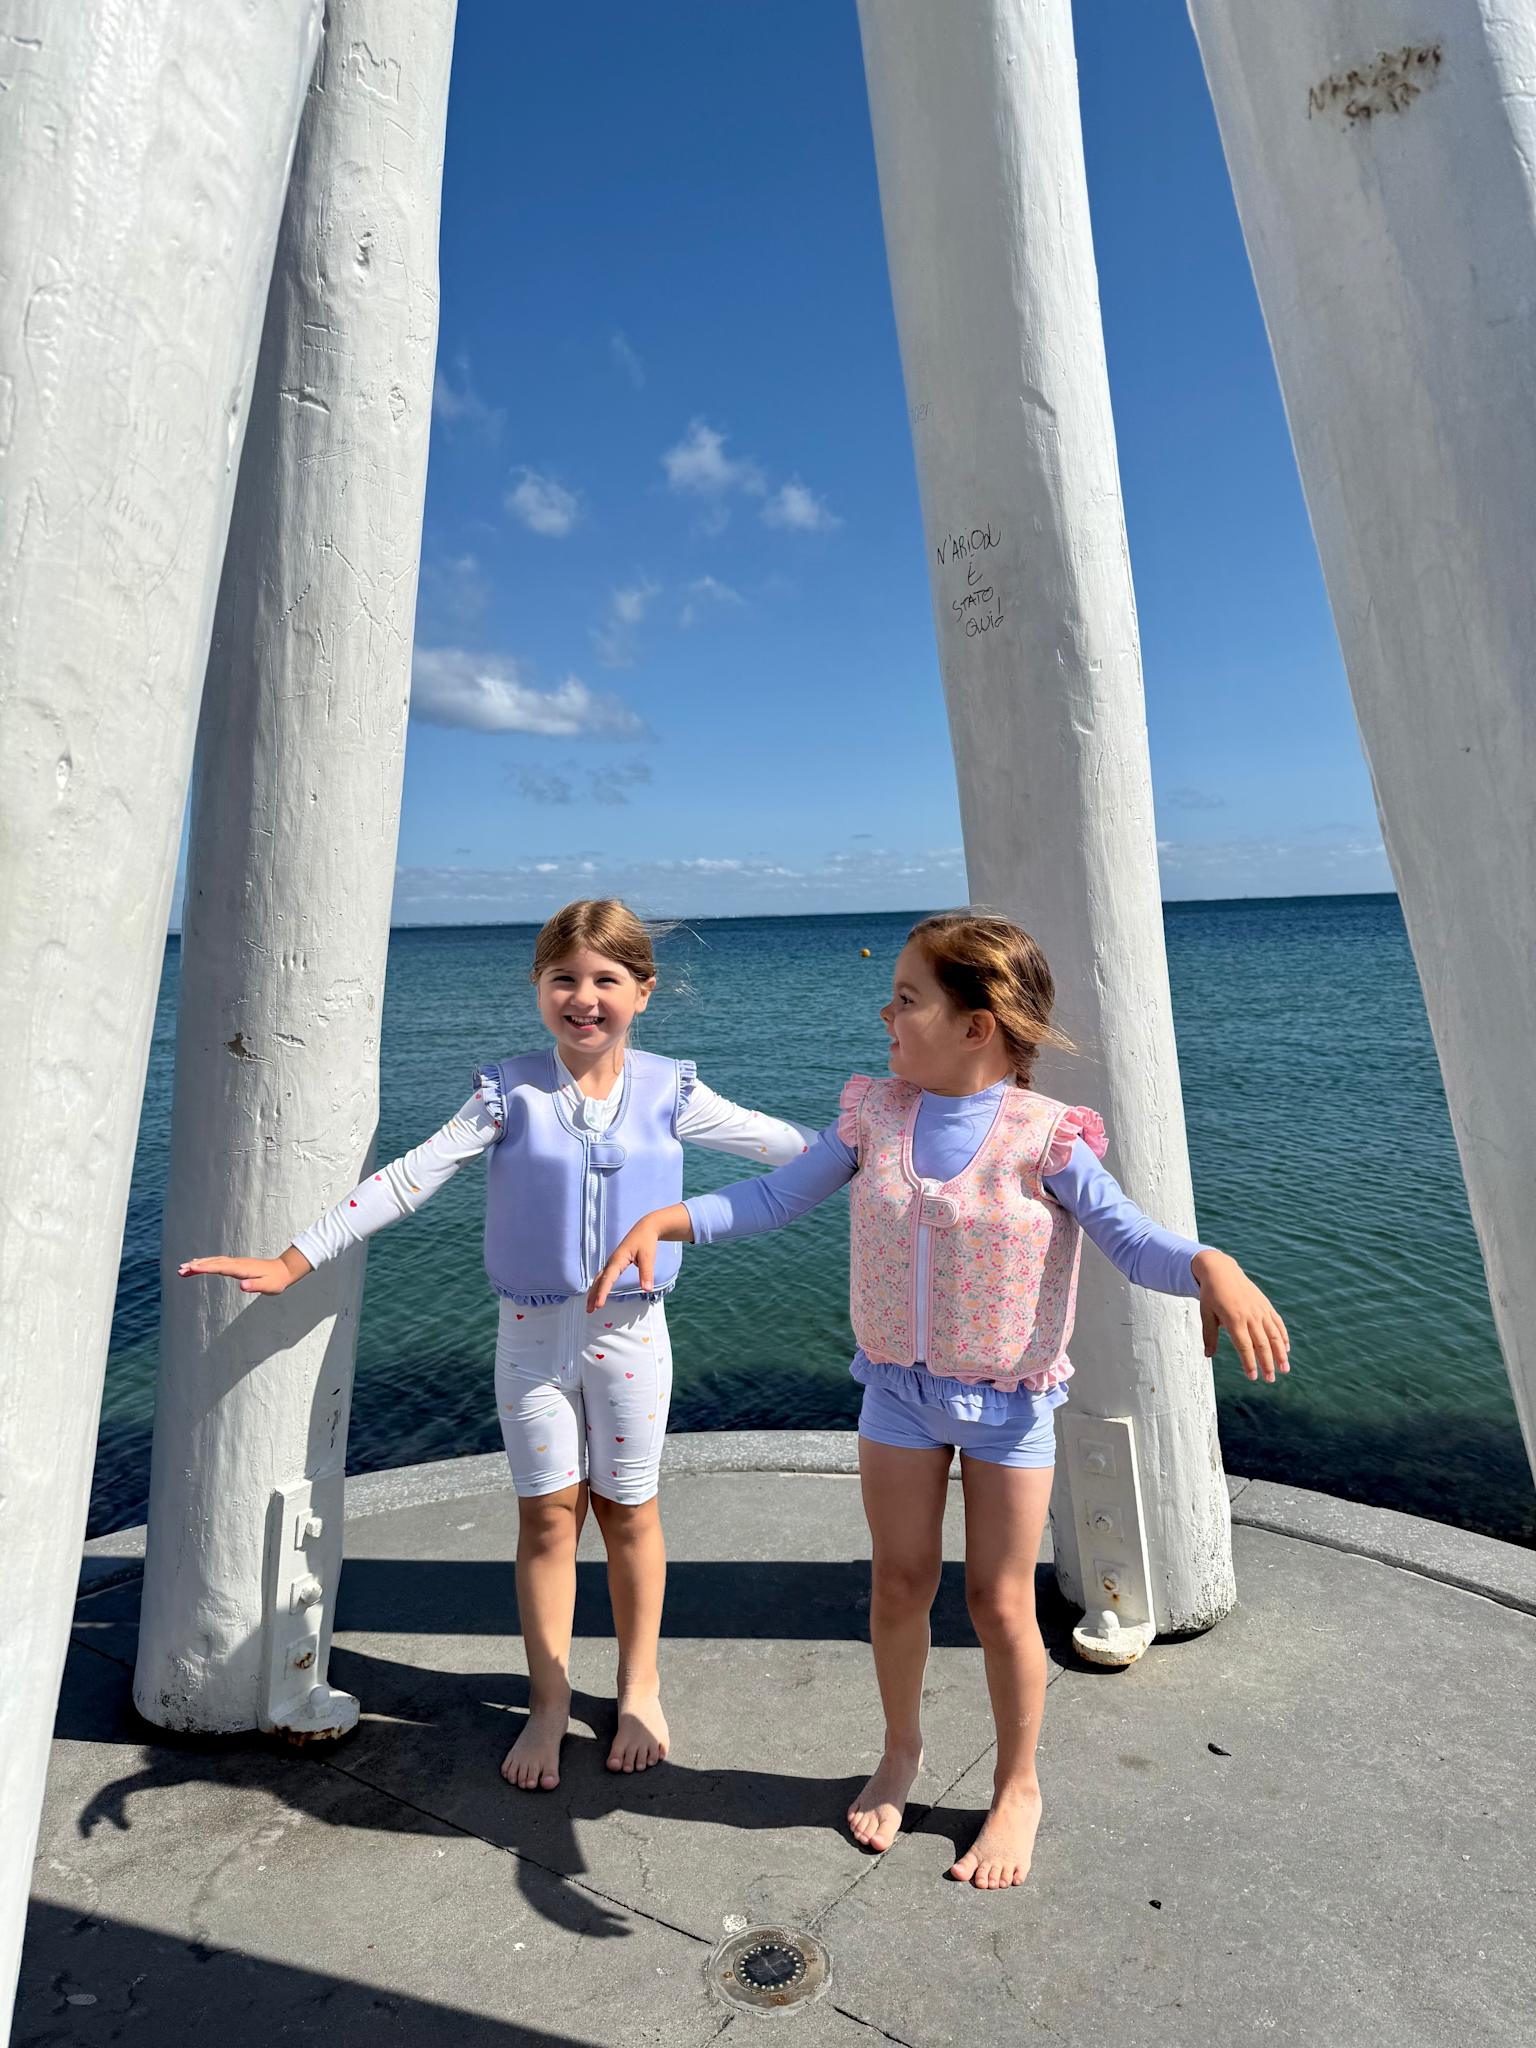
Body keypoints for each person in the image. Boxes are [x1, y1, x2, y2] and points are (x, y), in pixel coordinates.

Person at [587, 910, 1287, 1888]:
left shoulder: (1046, 1137)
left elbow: (1131, 1239)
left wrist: (1212, 1264)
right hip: (897, 1395)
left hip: (1009, 1404)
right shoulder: (875, 1115)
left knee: (999, 1602)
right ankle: (901, 1748)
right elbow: (775, 1196)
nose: (886, 1013)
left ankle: (1016, 1785)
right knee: (900, 1582)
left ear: (976, 1025)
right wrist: (673, 1218)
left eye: (907, 998)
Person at [180, 897, 809, 1792]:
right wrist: (295, 1258)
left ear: (643, 991)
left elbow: (794, 1150)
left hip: (632, 1338)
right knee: (547, 1521)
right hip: (530, 1342)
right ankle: (549, 1701)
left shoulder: (674, 1092)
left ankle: (639, 1688)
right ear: (538, 987)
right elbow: (411, 1176)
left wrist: (888, 1154)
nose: (584, 998)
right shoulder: (506, 1094)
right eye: (564, 978)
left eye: (606, 980)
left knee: (630, 1514)